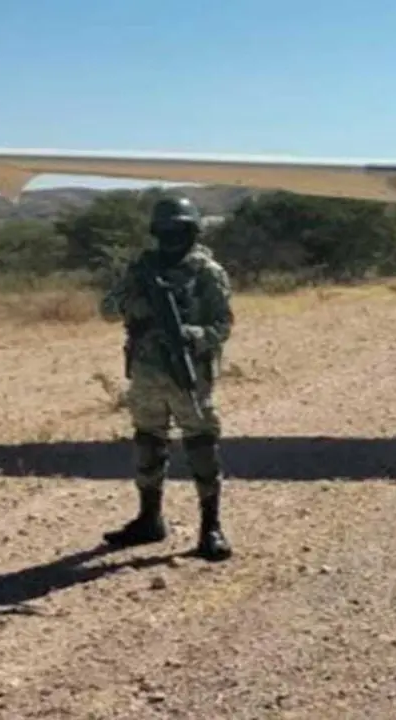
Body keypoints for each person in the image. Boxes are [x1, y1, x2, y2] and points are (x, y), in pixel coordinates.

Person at [99, 195, 235, 561]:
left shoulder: (207, 272)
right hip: (146, 372)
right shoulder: (141, 268)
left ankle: (211, 527)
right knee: (148, 442)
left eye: (180, 229)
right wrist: (136, 303)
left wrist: (191, 334)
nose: (172, 236)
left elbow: (222, 326)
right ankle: (149, 519)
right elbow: (107, 310)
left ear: (193, 231)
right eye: (166, 229)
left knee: (201, 445)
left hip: (189, 372)